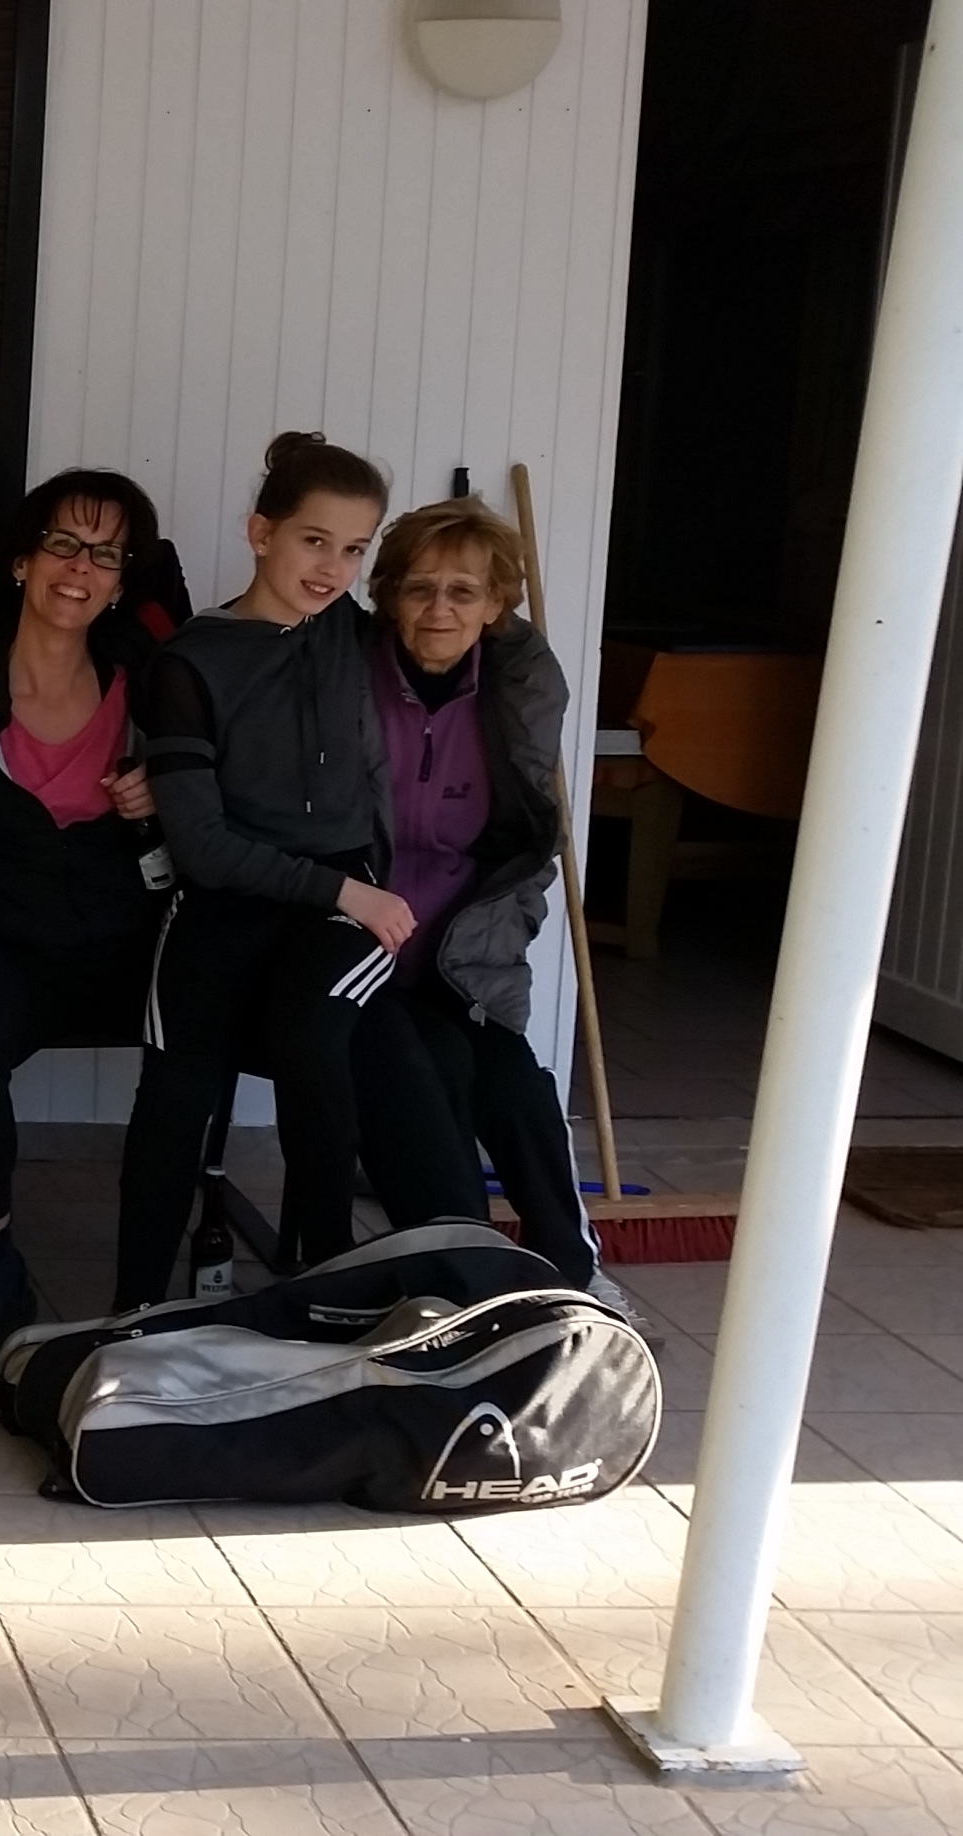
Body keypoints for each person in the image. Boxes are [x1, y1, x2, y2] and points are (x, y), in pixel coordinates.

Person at [0, 469, 173, 1380]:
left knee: (208, 1016)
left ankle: (159, 1282)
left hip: (126, 940)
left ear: (122, 580)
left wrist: (160, 800)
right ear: (22, 561)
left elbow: (214, 811)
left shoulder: (150, 687)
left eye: (104, 554)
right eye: (62, 544)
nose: (79, 569)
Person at [115, 432, 398, 1310]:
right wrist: (346, 890)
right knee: (175, 1088)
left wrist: (347, 890)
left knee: (313, 1043)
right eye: (314, 540)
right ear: (260, 532)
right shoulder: (191, 661)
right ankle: (133, 1310)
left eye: (354, 549)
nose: (333, 568)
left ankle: (328, 1287)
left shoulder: (357, 632)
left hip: (339, 903)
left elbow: (471, 630)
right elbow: (202, 847)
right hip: (236, 893)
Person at [346, 497, 631, 1313]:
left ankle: (573, 1274)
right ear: (389, 596)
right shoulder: (347, 678)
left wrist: (497, 947)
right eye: (419, 588)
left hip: (459, 952)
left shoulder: (513, 697)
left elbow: (524, 853)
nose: (439, 609)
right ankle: (467, 1281)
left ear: (497, 604)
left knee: (514, 1083)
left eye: (463, 591)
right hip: (353, 947)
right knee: (425, 1068)